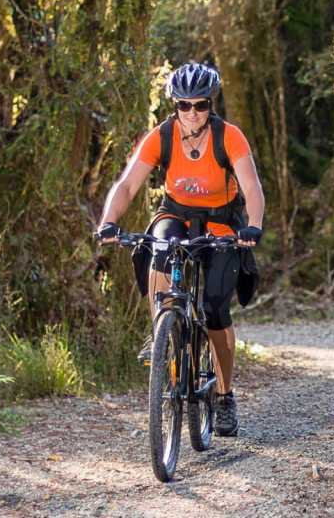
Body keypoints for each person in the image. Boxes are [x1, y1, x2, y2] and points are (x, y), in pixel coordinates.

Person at [95, 62, 265, 437]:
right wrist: (109, 221)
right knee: (157, 246)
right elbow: (126, 185)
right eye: (184, 106)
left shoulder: (230, 137)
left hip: (221, 221)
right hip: (176, 214)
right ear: (174, 106)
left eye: (200, 105)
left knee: (215, 307)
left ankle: (223, 395)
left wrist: (252, 225)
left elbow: (251, 187)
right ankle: (161, 330)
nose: (192, 113)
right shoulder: (162, 136)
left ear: (211, 104)